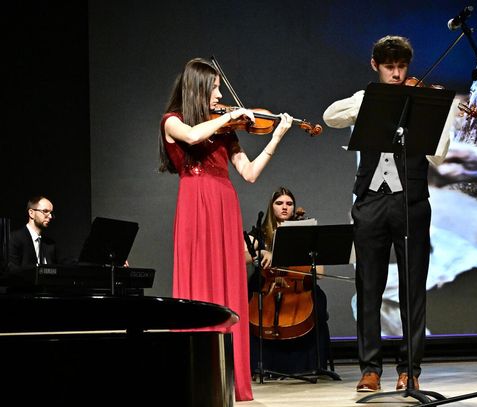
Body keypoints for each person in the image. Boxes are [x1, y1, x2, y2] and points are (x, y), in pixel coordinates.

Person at [158, 58, 293, 402]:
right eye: (215, 88)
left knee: (228, 282)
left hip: (224, 203)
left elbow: (249, 173)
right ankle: (196, 374)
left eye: (219, 88)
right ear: (198, 87)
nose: (220, 95)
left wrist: (276, 137)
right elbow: (192, 135)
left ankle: (231, 378)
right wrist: (230, 117)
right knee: (197, 281)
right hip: (195, 201)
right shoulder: (173, 120)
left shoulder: (225, 130)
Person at [323, 35, 449, 392]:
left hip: (411, 201)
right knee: (368, 287)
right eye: (389, 67)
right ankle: (370, 369)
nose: (396, 74)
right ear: (375, 66)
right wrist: (372, 102)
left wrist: (432, 112)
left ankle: (410, 369)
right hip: (370, 202)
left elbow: (439, 156)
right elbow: (330, 117)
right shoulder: (364, 98)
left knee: (413, 288)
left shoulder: (422, 100)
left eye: (401, 67)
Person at [245, 186, 331, 377]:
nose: (285, 207)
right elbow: (239, 256)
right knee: (252, 303)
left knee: (318, 301)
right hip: (267, 288)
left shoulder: (304, 231)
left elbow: (320, 273)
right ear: (271, 206)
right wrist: (262, 252)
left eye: (289, 203)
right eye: (279, 203)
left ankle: (310, 364)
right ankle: (261, 364)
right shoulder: (260, 233)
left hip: (298, 289)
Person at [8, 195, 57, 271]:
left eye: (51, 213)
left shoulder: (50, 243)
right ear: (31, 213)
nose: (50, 216)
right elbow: (13, 271)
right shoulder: (13, 239)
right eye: (45, 211)